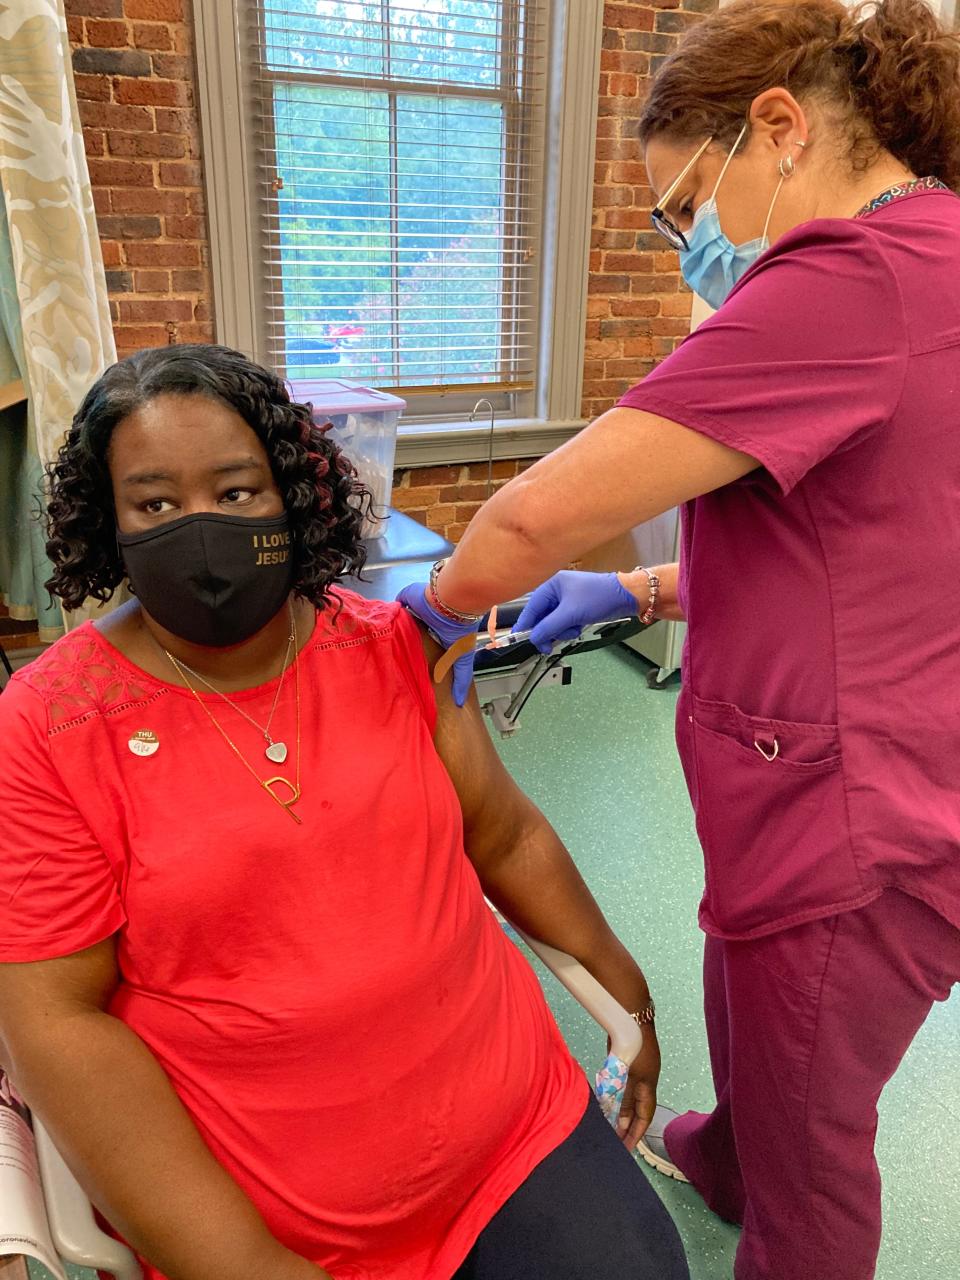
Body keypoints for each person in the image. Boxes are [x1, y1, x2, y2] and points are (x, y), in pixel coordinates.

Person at [398, 2, 960, 1278]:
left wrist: (429, 614)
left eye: (682, 207)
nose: (688, 244)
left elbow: (537, 511)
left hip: (848, 814)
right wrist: (647, 591)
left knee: (815, 1124)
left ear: (777, 131)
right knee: (751, 984)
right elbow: (877, 533)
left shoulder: (846, 279)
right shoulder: (942, 255)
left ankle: (779, 1204)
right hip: (881, 749)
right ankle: (720, 1150)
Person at [0, 346, 688, 1280]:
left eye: (238, 492)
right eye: (155, 504)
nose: (200, 527)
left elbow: (505, 832)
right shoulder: (51, 725)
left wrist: (627, 992)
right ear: (106, 521)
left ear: (294, 494)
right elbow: (56, 1022)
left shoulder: (396, 649)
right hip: (268, 1199)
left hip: (507, 1126)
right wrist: (241, 1260)